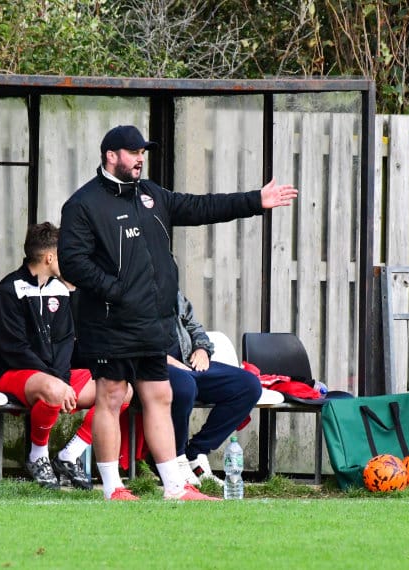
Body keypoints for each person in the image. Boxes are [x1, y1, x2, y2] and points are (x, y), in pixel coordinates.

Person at [58, 125, 298, 500]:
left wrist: (255, 200)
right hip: (109, 323)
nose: (140, 159)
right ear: (111, 156)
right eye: (133, 152)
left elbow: (201, 207)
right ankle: (112, 488)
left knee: (161, 396)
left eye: (143, 153)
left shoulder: (152, 194)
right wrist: (116, 291)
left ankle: (174, 485)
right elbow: (73, 263)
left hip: (151, 324)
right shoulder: (83, 204)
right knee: (111, 397)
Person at [0, 221, 102, 490]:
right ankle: (38, 456)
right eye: (63, 254)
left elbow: (64, 342)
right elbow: (14, 349)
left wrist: (62, 379)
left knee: (119, 389)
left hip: (54, 377)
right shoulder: (8, 291)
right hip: (11, 373)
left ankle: (69, 455)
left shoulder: (59, 289)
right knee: (53, 390)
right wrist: (56, 381)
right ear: (50, 257)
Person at [168, 291, 262, 487]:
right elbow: (132, 340)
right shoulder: (134, 293)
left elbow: (194, 327)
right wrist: (163, 359)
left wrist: (202, 349)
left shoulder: (172, 293)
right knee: (185, 387)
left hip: (189, 362)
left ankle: (196, 452)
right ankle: (176, 458)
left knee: (248, 385)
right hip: (155, 368)